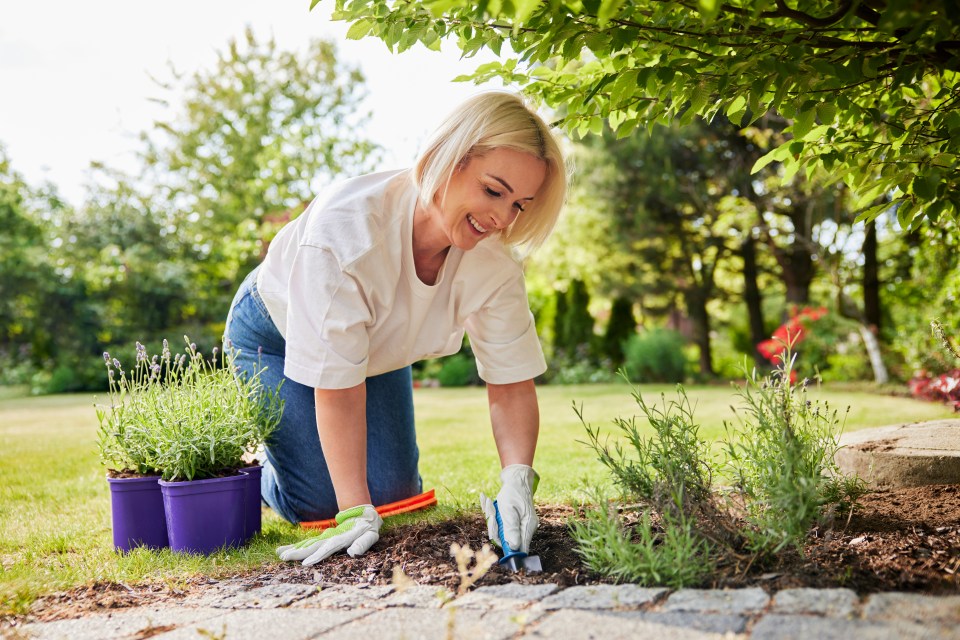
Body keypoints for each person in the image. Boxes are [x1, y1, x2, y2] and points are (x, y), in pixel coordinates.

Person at [224, 91, 567, 566]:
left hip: (372, 351)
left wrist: (518, 480)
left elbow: (510, 382)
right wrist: (352, 513)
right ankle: (263, 470)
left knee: (393, 494)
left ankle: (308, 460)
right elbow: (338, 389)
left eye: (519, 205)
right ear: (449, 160)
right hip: (273, 332)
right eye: (494, 190)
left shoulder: (494, 261)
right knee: (323, 505)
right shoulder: (344, 237)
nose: (502, 218)